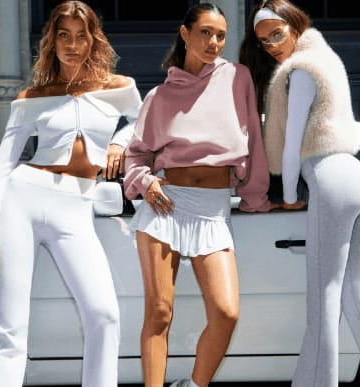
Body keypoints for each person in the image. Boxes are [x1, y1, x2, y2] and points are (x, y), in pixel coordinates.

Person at [241, 1, 360, 385]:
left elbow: (291, 146)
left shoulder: (301, 70)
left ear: (293, 25)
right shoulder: (328, 60)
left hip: (331, 177)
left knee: (323, 306)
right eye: (263, 40)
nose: (271, 45)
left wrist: (288, 196)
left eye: (276, 34)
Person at [0, 1, 131, 386]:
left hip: (75, 207)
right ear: (52, 41)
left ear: (93, 40)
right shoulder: (33, 97)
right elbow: (3, 165)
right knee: (8, 323)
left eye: (81, 36)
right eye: (64, 35)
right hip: (22, 201)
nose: (73, 45)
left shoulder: (118, 88)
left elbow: (144, 124)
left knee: (104, 314)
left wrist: (121, 141)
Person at [124, 3, 273, 386]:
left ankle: (194, 384)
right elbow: (137, 154)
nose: (214, 42)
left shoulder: (237, 78)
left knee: (225, 312)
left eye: (221, 35)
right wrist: (146, 181)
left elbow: (253, 141)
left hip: (213, 210)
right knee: (159, 312)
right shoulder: (159, 97)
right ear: (185, 33)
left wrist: (256, 198)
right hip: (166, 206)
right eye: (205, 32)